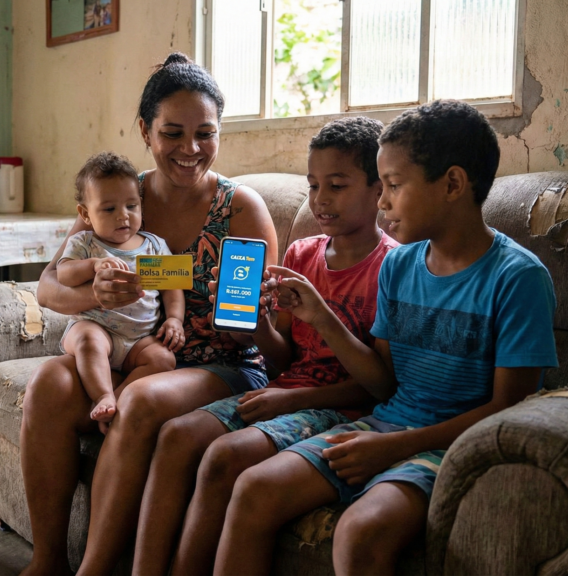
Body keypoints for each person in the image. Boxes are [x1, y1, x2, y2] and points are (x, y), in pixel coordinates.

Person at [213, 100, 559, 575]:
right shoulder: (399, 267)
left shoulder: (517, 279)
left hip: (454, 444)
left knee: (360, 531)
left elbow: (507, 412)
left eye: (394, 186)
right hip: (385, 422)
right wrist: (320, 316)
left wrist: (395, 447)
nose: (381, 202)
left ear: (453, 184)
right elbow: (383, 385)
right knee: (253, 488)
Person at [20, 52, 279, 576]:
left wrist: (244, 312)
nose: (191, 150)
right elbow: (48, 287)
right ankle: (47, 560)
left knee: (137, 400)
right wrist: (96, 294)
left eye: (205, 133)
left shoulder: (241, 210)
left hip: (216, 364)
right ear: (145, 130)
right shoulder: (120, 196)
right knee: (48, 382)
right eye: (173, 133)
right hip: (130, 350)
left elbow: (255, 329)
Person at [132, 116, 398, 576]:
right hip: (282, 390)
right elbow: (284, 360)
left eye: (336, 185)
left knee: (224, 455)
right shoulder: (301, 254)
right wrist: (254, 328)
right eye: (314, 185)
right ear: (146, 133)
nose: (320, 200)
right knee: (177, 434)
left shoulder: (394, 267)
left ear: (380, 190)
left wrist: (295, 395)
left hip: (339, 407)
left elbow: (383, 387)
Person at [56, 151, 185, 428]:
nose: (123, 216)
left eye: (131, 206)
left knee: (164, 359)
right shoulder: (85, 243)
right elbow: (63, 274)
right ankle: (102, 394)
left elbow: (173, 288)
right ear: (85, 214)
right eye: (109, 209)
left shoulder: (153, 246)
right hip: (96, 328)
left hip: (139, 340)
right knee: (88, 340)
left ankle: (115, 398)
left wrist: (174, 319)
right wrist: (93, 265)